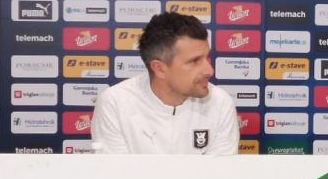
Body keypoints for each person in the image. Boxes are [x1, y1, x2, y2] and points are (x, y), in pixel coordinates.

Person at [91, 12, 238, 154]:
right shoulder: (115, 103)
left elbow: (220, 171)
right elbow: (116, 170)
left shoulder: (220, 102)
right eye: (194, 61)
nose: (209, 70)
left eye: (207, 57)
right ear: (159, 69)